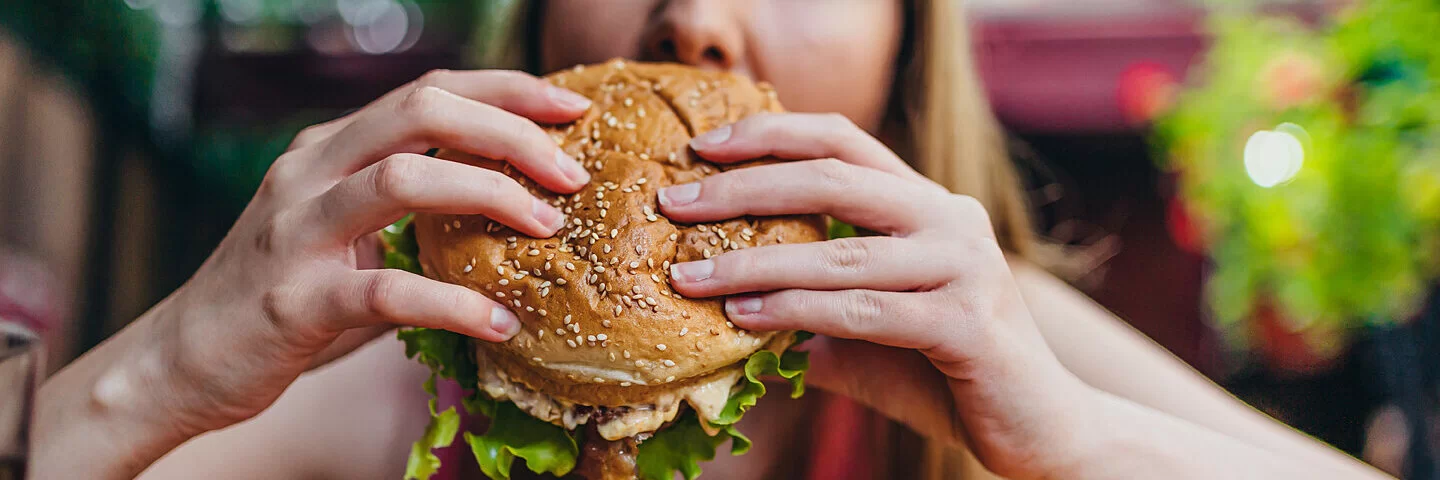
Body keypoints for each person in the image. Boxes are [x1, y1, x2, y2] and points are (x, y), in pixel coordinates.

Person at [31, 1, 1392, 479]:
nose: (695, 17)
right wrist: (153, 376)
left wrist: (1088, 451)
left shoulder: (1014, 346)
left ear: (907, 33)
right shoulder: (389, 380)